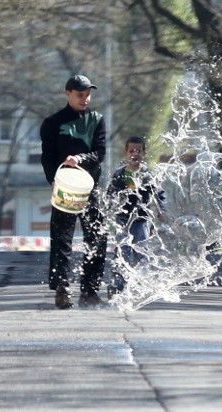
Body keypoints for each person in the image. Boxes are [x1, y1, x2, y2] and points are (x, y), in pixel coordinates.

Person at [40, 74, 107, 309]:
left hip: (89, 187)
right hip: (65, 188)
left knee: (97, 237)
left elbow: (99, 153)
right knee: (62, 239)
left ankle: (90, 289)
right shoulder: (52, 123)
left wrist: (79, 158)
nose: (85, 98)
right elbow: (47, 157)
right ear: (68, 93)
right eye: (80, 94)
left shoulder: (96, 120)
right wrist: (52, 180)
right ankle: (62, 288)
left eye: (88, 94)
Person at [106, 136, 162, 299]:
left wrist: (160, 213)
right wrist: (108, 210)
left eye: (138, 151)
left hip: (141, 220)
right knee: (121, 252)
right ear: (126, 152)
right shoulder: (120, 174)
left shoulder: (147, 174)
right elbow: (110, 195)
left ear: (144, 153)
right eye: (131, 151)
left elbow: (158, 195)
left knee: (140, 252)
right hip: (122, 221)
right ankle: (117, 285)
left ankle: (139, 284)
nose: (135, 154)